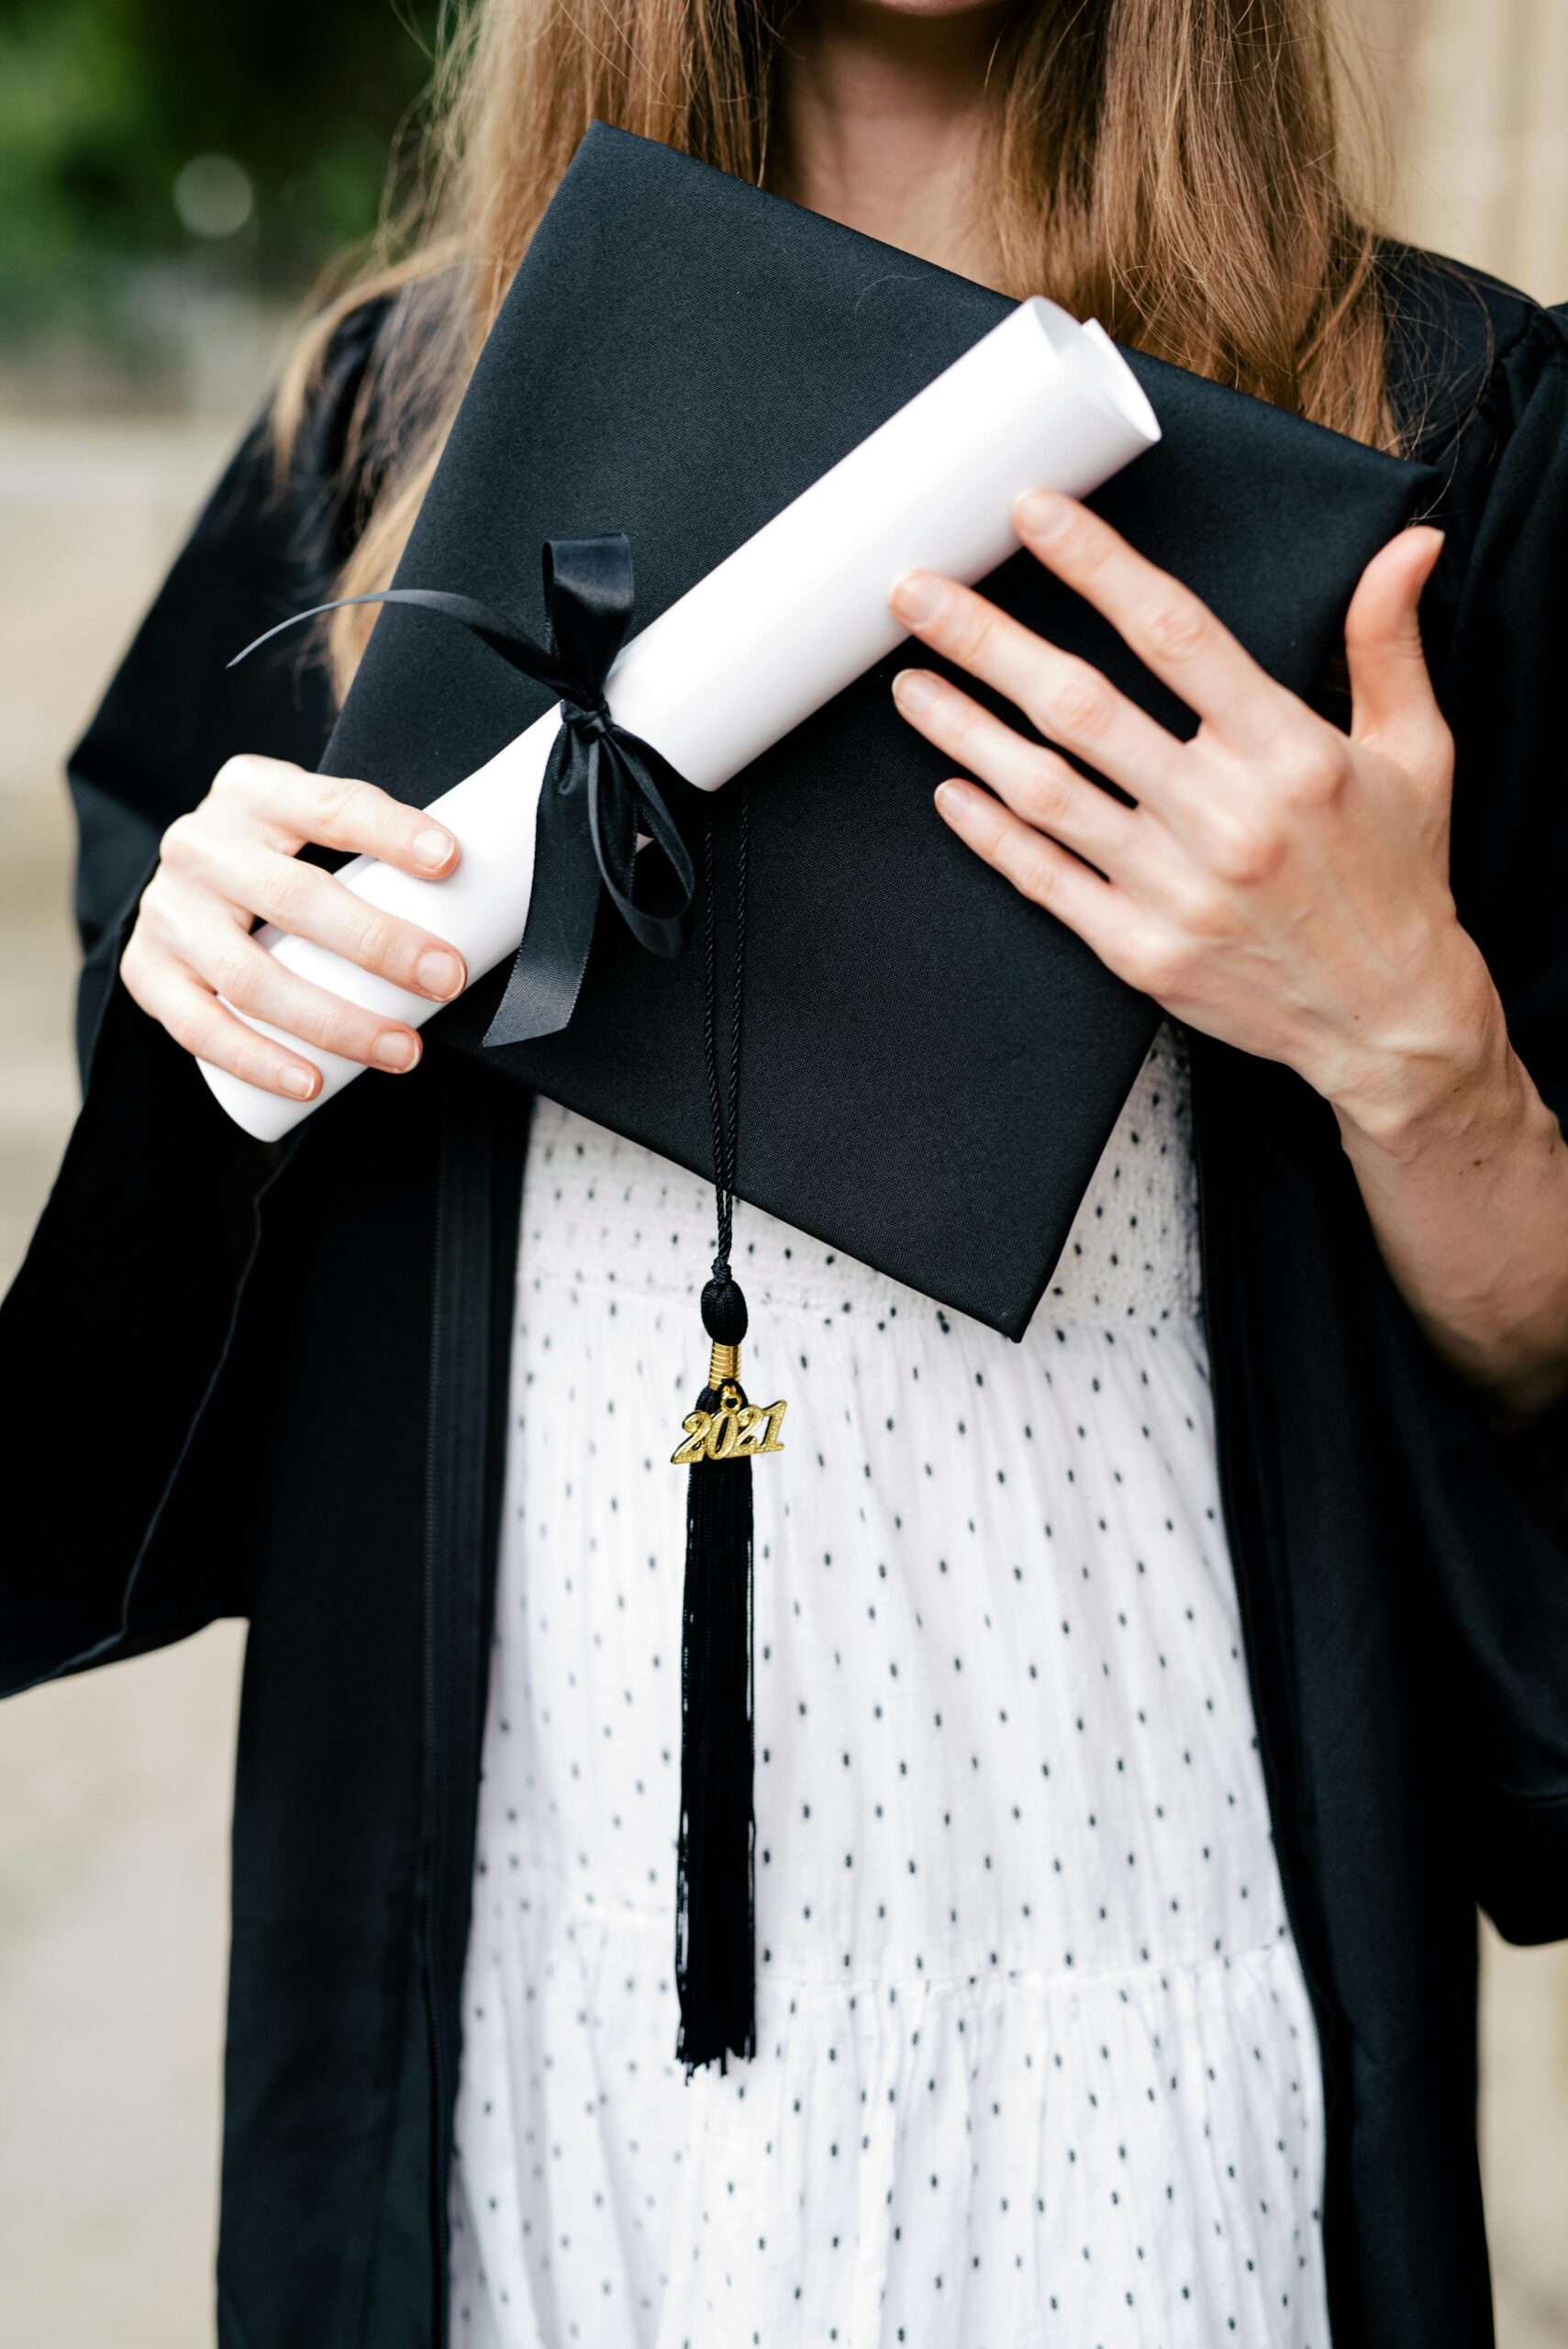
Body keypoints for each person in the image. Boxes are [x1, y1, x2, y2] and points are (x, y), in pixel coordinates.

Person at [5, 0, 1568, 2343]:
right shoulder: (393, 417)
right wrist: (217, 979)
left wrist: (1422, 1053)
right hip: (521, 1971)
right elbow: (192, 1175)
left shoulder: (1442, 419)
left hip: (1142, 1946)